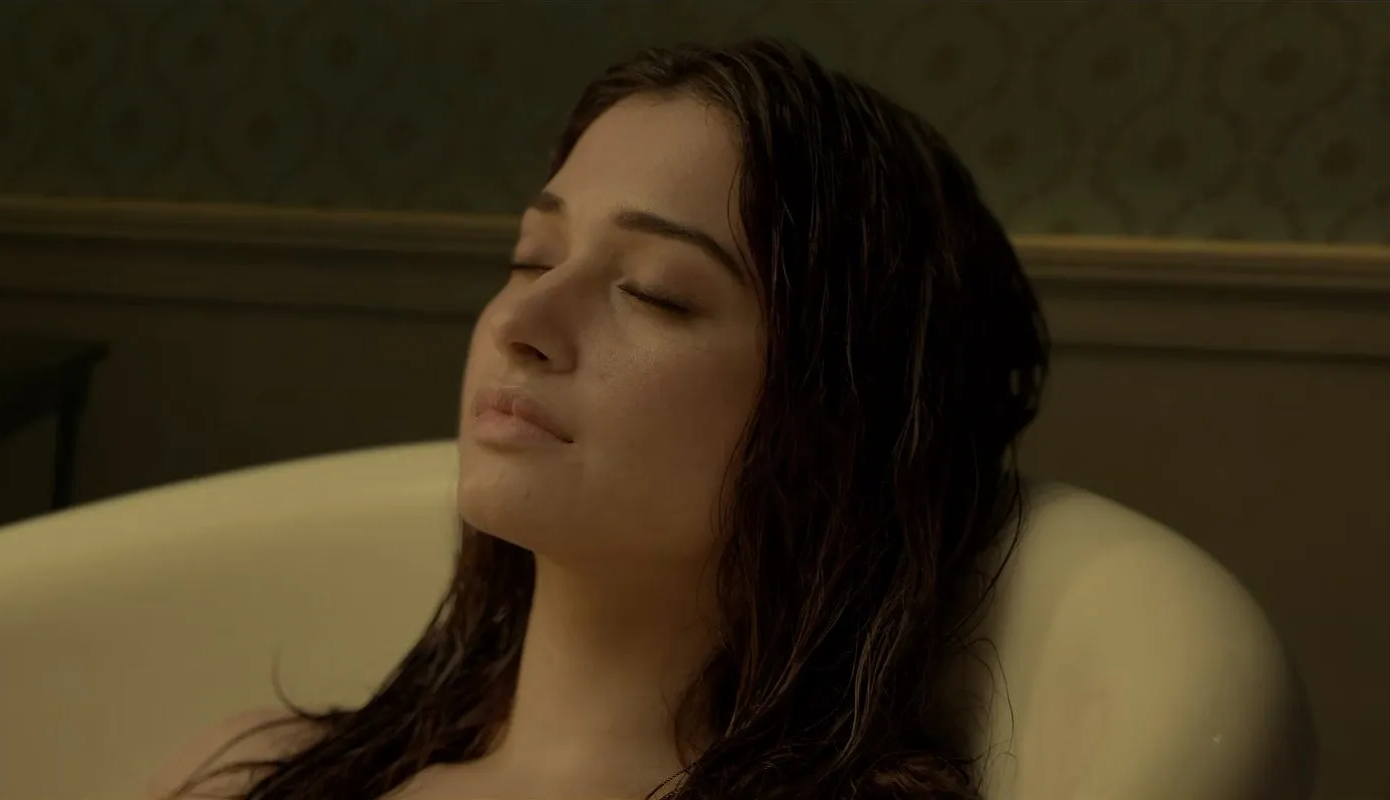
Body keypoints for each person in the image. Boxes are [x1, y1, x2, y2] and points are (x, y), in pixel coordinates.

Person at [146, 36, 1047, 800]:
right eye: (533, 258)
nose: (521, 320)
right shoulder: (253, 773)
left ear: (838, 424)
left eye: (654, 292)